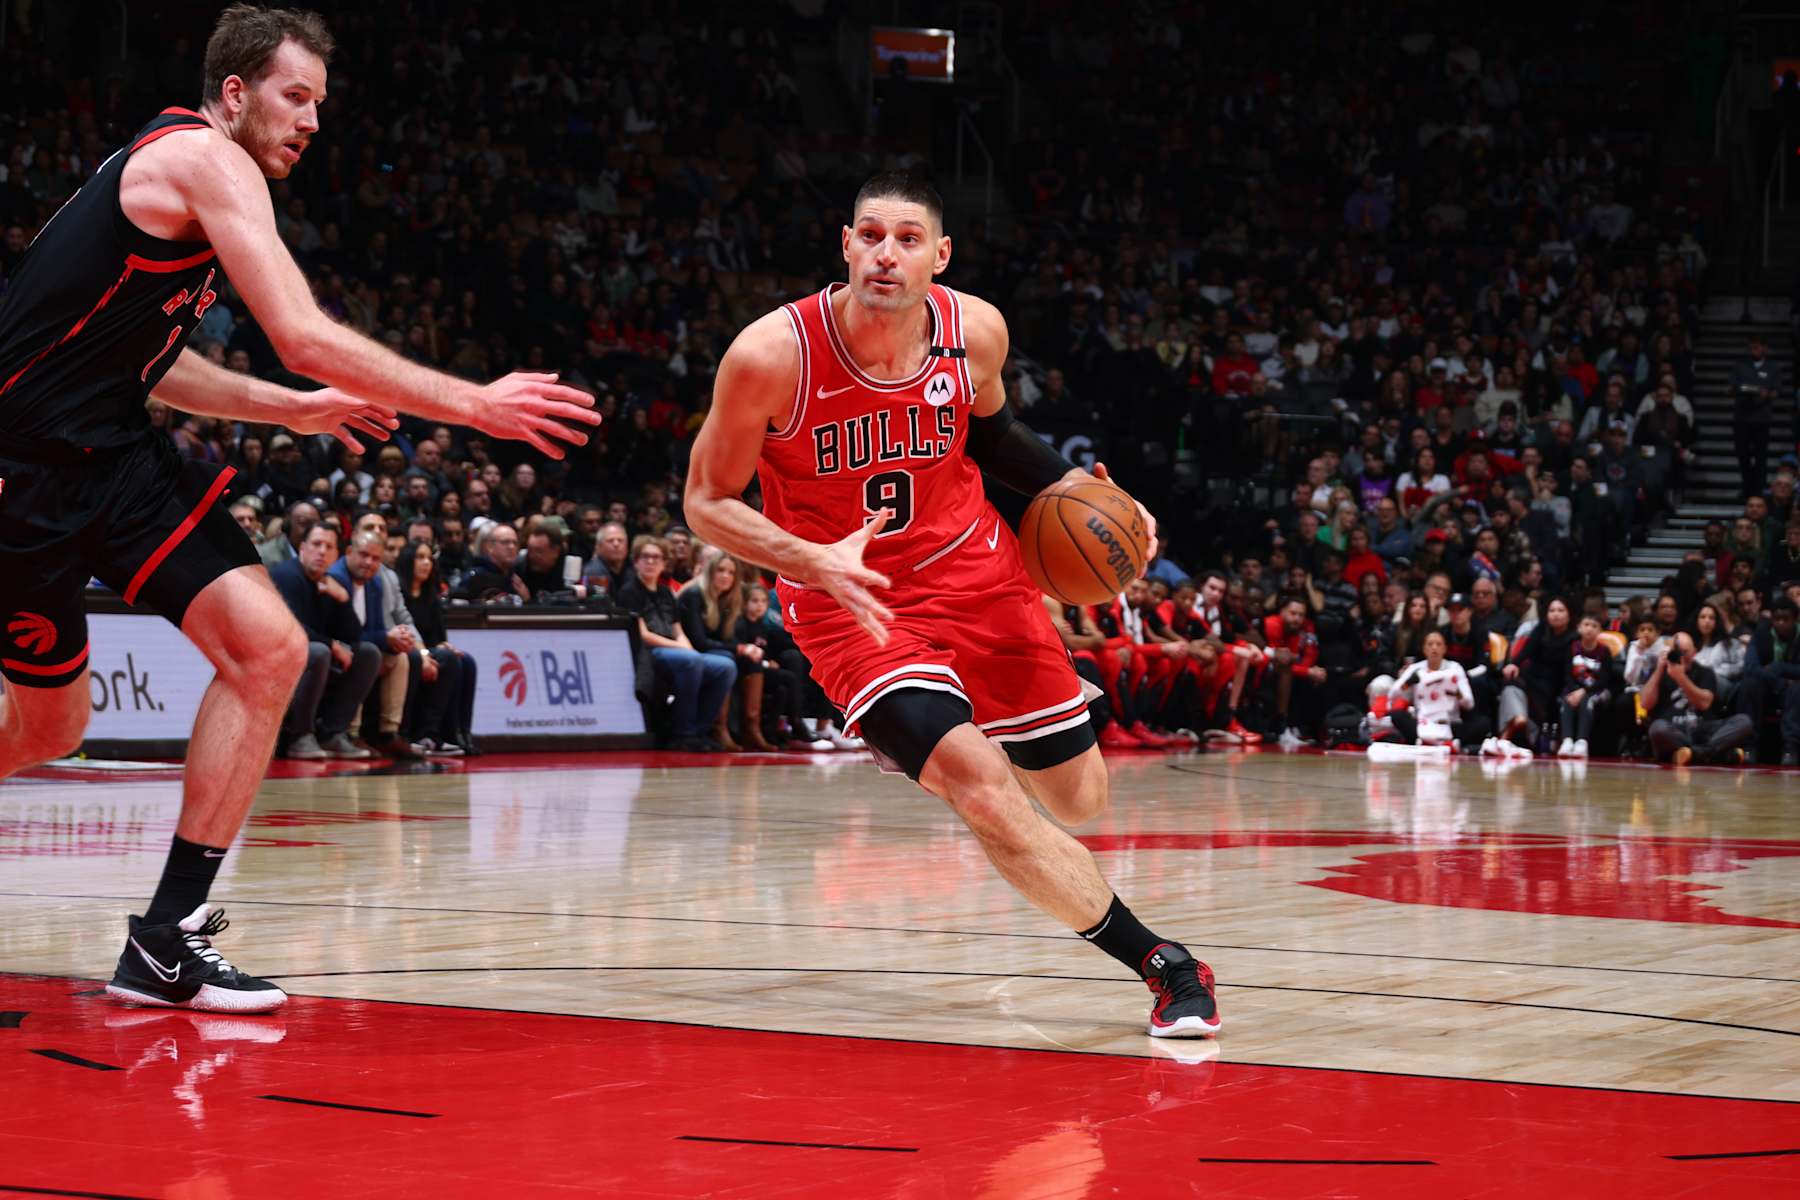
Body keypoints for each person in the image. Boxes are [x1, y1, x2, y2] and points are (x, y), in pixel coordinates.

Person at [0, 5, 599, 1011]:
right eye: (296, 96)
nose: (313, 121)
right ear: (234, 94)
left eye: (321, 103)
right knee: (55, 724)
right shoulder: (202, 159)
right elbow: (301, 331)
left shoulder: (183, 191)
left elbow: (160, 368)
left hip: (116, 455)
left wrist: (297, 414)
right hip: (26, 470)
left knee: (271, 649)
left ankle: (166, 940)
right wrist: (473, 404)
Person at [683, 171, 1219, 1038]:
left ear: (940, 255)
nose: (885, 253)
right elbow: (706, 500)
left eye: (905, 238)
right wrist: (808, 557)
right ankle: (1165, 965)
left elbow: (995, 436)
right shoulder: (770, 356)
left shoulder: (974, 330)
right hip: (853, 600)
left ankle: (943, 722)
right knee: (980, 786)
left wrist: (1088, 491)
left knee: (1081, 799)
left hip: (978, 570)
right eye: (869, 235)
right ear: (845, 245)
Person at [268, 524, 379, 761]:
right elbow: (291, 628)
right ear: (302, 548)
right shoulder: (287, 575)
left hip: (314, 659)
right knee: (318, 651)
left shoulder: (329, 584)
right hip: (275, 660)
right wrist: (331, 644)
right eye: (316, 544)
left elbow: (353, 635)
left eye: (329, 547)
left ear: (336, 555)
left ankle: (332, 732)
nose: (322, 551)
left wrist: (343, 599)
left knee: (368, 653)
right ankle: (300, 736)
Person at [617, 534, 735, 751]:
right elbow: (642, 634)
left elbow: (677, 630)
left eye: (656, 557)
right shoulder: (629, 591)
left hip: (675, 650)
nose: (651, 562)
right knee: (690, 660)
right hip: (648, 652)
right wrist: (683, 649)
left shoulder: (665, 592)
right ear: (636, 561)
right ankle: (683, 733)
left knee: (724, 667)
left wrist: (687, 647)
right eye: (646, 557)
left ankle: (701, 731)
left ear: (664, 563)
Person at [329, 528, 424, 759]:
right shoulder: (337, 578)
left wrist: (397, 639)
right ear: (349, 552)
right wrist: (385, 637)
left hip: (361, 648)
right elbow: (345, 634)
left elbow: (374, 628)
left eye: (375, 559)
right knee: (367, 653)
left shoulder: (374, 583)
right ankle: (350, 733)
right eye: (363, 555)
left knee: (399, 658)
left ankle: (388, 733)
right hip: (336, 649)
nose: (369, 563)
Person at [677, 548, 774, 751]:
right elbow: (699, 641)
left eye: (731, 572)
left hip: (716, 651)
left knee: (752, 659)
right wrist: (740, 648)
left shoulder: (730, 599)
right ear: (710, 571)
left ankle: (751, 728)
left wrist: (748, 649)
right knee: (727, 658)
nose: (725, 576)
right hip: (689, 650)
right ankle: (718, 728)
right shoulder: (693, 594)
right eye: (721, 570)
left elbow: (728, 638)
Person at [398, 539, 477, 754]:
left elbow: (438, 637)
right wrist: (427, 652)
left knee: (465, 661)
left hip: (427, 652)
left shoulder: (430, 597)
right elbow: (403, 630)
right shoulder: (398, 593)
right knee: (446, 659)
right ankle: (420, 733)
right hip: (405, 649)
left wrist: (444, 645)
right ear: (407, 561)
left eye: (429, 559)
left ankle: (456, 733)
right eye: (419, 557)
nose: (426, 563)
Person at [1642, 632, 1754, 765]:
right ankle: (1718, 755)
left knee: (1744, 721)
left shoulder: (1705, 672)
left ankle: (1693, 754)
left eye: (1685, 652)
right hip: (1674, 730)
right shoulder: (1660, 672)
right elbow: (1645, 703)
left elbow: (1704, 703)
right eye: (1677, 652)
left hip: (1704, 729)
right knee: (1657, 728)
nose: (1681, 656)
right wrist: (1659, 668)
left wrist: (1680, 677)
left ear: (1694, 653)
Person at [1378, 630, 1483, 750]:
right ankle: (1448, 743)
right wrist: (1408, 683)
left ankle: (1428, 741)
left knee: (1482, 724)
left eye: (1438, 644)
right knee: (1397, 715)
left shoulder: (1455, 668)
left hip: (1449, 722)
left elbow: (1470, 704)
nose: (1434, 648)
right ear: (1424, 649)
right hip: (1423, 722)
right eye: (1430, 644)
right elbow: (1393, 693)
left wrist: (1457, 692)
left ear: (1444, 649)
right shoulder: (1416, 668)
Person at [1554, 614, 1615, 758]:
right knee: (1566, 701)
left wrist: (1584, 691)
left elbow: (1604, 679)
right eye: (1586, 625)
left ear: (1600, 631)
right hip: (1574, 688)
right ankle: (1567, 741)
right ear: (1579, 628)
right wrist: (1575, 690)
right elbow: (1567, 675)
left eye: (1594, 626)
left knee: (1587, 702)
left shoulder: (1604, 651)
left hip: (1597, 690)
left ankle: (1582, 742)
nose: (1590, 629)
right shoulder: (1572, 648)